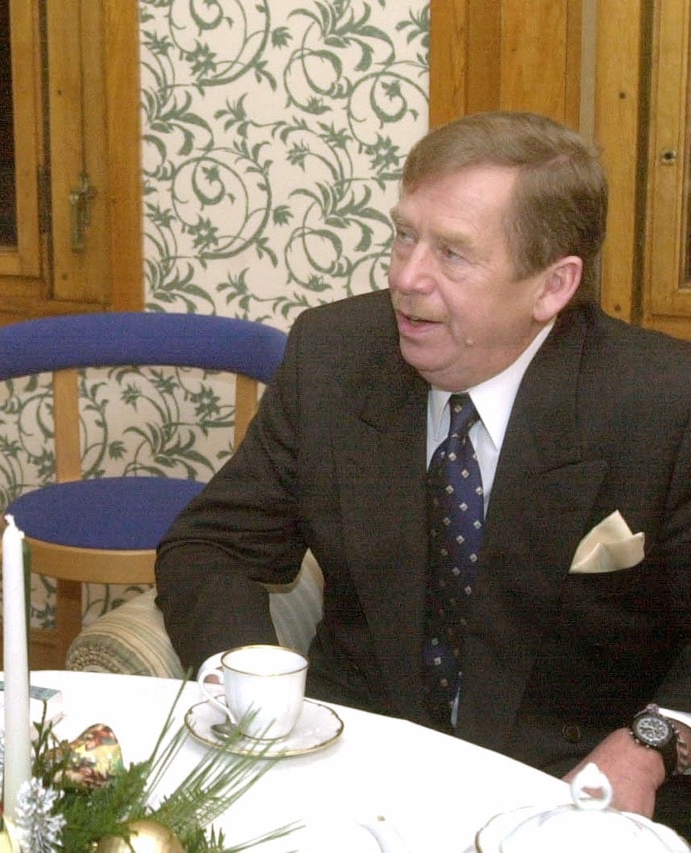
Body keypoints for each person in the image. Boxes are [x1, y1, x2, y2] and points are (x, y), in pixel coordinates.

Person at [155, 111, 691, 828]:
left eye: (453, 253)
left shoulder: (661, 402)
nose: (406, 277)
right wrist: (243, 681)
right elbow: (209, 546)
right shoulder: (335, 356)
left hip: (569, 788)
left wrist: (650, 742)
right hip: (357, 766)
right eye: (405, 234)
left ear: (553, 286)